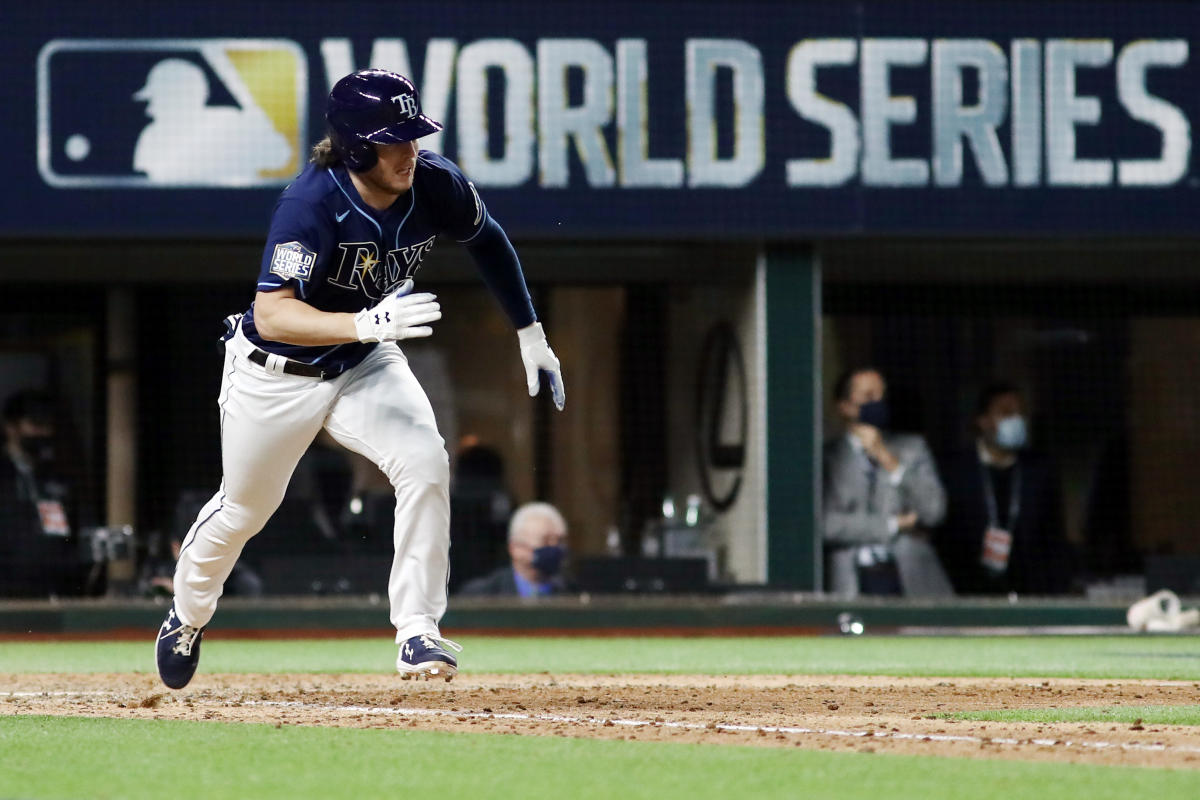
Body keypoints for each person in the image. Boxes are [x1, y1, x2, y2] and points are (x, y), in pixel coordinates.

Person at [155, 69, 566, 690]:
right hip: (277, 373)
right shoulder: (310, 203)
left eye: (414, 134)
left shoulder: (434, 183)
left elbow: (488, 240)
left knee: (426, 460)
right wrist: (366, 320)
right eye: (394, 139)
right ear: (354, 145)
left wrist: (529, 332)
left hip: (363, 362)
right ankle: (186, 615)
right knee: (245, 508)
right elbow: (273, 312)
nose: (410, 149)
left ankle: (417, 628)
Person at [934, 382, 1073, 596]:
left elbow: (1054, 537)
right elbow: (947, 539)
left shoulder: (1039, 471)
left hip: (1031, 591)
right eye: (1006, 413)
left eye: (1019, 413)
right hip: (969, 590)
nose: (1016, 420)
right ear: (983, 420)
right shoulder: (957, 471)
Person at [822, 367, 951, 597]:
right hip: (851, 581)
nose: (878, 402)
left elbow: (934, 510)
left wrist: (889, 460)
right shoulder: (829, 458)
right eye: (869, 396)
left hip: (909, 579)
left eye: (882, 396)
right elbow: (827, 525)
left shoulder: (913, 449)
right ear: (845, 406)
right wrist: (894, 525)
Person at [0, 390, 82, 597]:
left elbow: (73, 533)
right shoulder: (4, 475)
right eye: (36, 424)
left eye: (48, 426)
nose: (44, 433)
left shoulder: (57, 477)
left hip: (52, 589)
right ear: (11, 427)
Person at [457, 502, 572, 597]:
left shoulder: (574, 594)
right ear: (516, 548)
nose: (555, 547)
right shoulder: (480, 595)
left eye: (560, 540)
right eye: (546, 540)